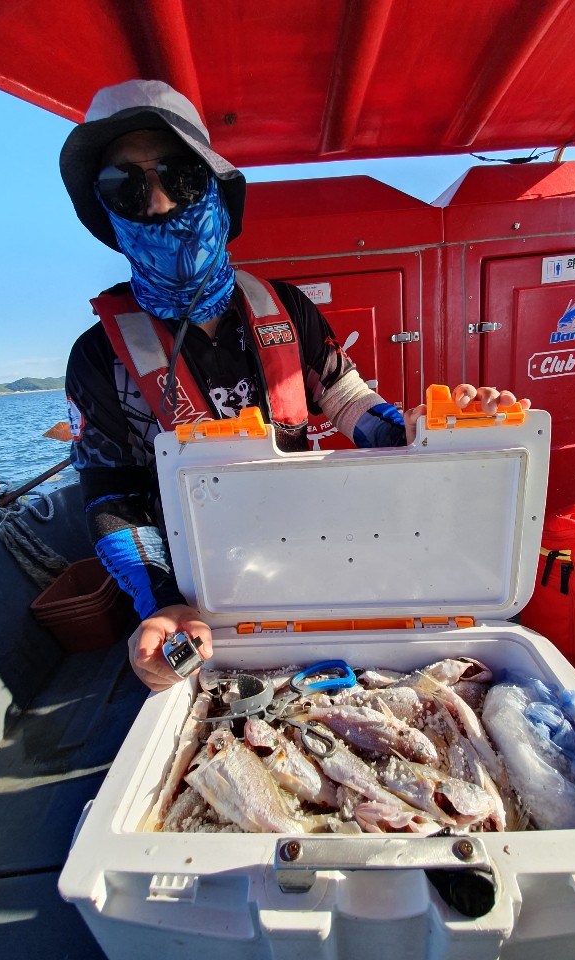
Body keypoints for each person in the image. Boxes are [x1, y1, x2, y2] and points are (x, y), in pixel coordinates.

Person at [60, 79, 527, 691]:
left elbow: (349, 401)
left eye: (179, 176)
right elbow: (109, 494)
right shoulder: (96, 357)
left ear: (216, 189)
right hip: (194, 603)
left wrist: (424, 432)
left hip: (305, 560)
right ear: (106, 212)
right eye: (124, 185)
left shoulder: (287, 309)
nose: (158, 203)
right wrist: (162, 603)